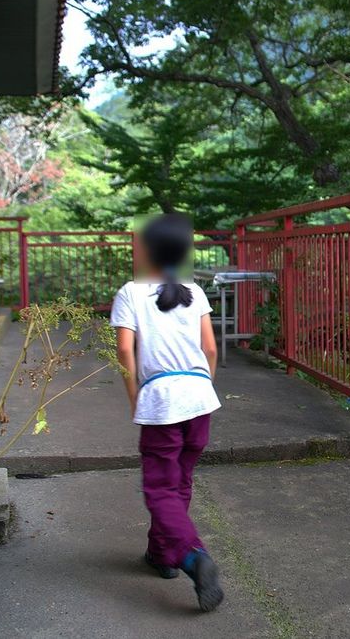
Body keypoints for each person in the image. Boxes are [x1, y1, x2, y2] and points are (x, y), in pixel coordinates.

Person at [111, 213, 224, 612]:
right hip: (200, 398)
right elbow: (211, 350)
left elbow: (125, 351)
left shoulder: (130, 292)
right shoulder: (194, 291)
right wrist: (202, 387)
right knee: (179, 482)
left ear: (145, 251)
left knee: (160, 488)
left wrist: (135, 397)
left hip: (161, 400)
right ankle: (162, 553)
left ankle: (193, 557)